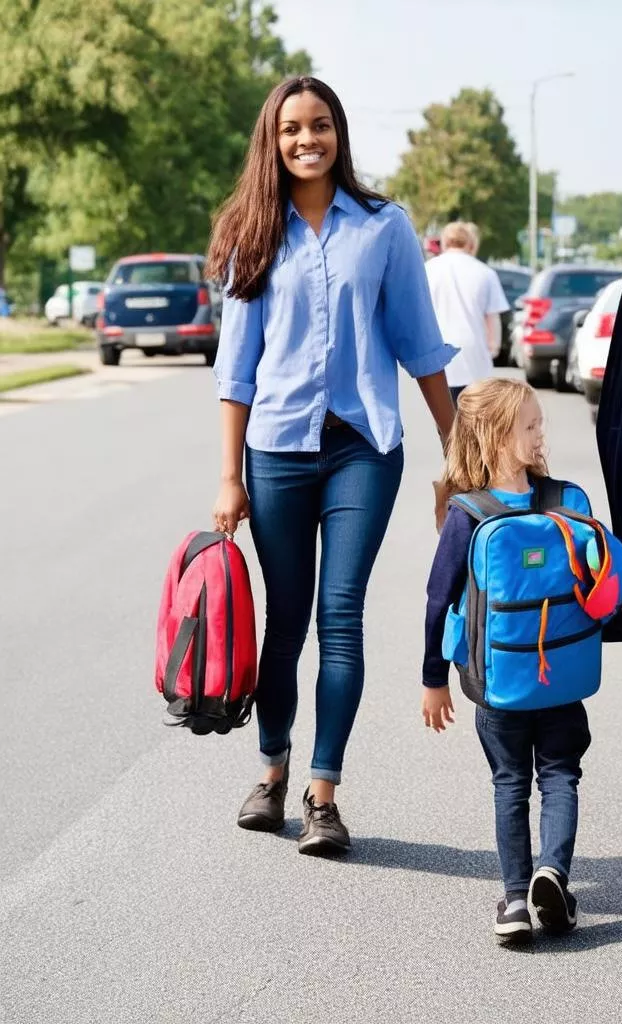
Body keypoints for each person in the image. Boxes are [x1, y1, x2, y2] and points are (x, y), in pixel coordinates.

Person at [206, 75, 457, 855]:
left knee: (338, 617)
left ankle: (323, 793)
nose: (306, 139)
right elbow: (235, 371)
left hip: (362, 450)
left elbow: (420, 350)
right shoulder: (254, 231)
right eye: (290, 129)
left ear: (338, 133)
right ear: (272, 141)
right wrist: (228, 476)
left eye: (319, 125)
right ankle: (272, 771)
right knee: (285, 625)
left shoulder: (384, 228)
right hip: (276, 450)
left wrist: (459, 456)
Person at [421, 378, 592, 943]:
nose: (543, 431)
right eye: (532, 424)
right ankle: (554, 873)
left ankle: (517, 899)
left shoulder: (467, 514)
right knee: (562, 775)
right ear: (497, 436)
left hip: (499, 683)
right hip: (563, 678)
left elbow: (437, 598)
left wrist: (434, 679)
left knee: (510, 782)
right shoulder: (567, 502)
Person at [425, 222, 509, 405]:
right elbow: (492, 318)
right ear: (471, 244)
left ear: (445, 243)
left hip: (438, 354)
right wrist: (493, 348)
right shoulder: (485, 273)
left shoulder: (428, 270)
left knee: (446, 421)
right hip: (475, 355)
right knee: (474, 418)